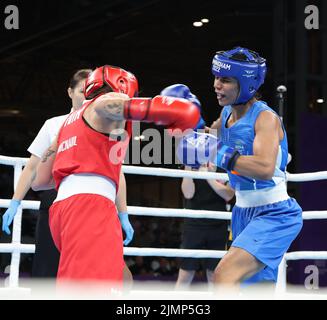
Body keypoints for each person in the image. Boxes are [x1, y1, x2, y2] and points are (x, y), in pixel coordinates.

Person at [31, 65, 201, 286]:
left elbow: (40, 181)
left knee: (122, 280)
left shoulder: (68, 122)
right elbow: (111, 104)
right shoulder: (103, 103)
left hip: (63, 210)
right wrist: (167, 107)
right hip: (88, 207)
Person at [173, 47, 303, 287]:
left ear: (245, 84)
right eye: (216, 77)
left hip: (274, 213)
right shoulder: (225, 115)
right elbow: (204, 139)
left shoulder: (265, 118)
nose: (216, 85)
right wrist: (184, 121)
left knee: (225, 275)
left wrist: (217, 153)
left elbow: (264, 167)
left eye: (225, 80)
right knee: (255, 289)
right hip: (242, 212)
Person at [1, 69, 134, 283]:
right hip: (63, 199)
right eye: (82, 91)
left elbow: (117, 172)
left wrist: (123, 213)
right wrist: (16, 201)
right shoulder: (55, 124)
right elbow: (32, 167)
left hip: (85, 202)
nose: (87, 96)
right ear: (70, 92)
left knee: (111, 272)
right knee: (50, 272)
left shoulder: (108, 121)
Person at [176, 163, 234, 289]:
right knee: (186, 272)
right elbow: (188, 194)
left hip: (218, 224)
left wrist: (208, 176)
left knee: (214, 273)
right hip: (194, 224)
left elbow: (229, 194)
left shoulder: (225, 165)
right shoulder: (191, 165)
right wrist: (188, 166)